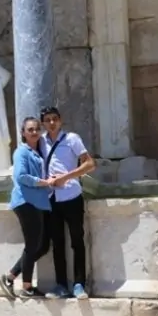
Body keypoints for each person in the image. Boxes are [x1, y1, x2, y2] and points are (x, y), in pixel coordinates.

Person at [38, 106, 96, 300]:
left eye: (55, 119)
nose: (52, 123)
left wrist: (66, 177)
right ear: (43, 123)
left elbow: (89, 164)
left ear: (60, 120)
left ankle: (79, 284)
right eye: (47, 120)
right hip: (51, 197)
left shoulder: (72, 139)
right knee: (58, 242)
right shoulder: (41, 142)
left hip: (71, 195)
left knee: (77, 240)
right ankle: (61, 284)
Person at [0, 118, 56, 299]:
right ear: (23, 133)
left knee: (43, 245)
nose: (34, 132)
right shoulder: (21, 151)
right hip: (26, 202)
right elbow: (21, 176)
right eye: (30, 129)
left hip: (39, 203)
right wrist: (44, 182)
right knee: (32, 245)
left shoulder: (37, 153)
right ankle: (27, 286)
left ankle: (10, 276)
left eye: (37, 129)